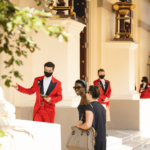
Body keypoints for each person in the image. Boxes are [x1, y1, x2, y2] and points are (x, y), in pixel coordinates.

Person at [76, 85, 106, 150]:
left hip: (93, 140)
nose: (85, 93)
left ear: (90, 94)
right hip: (102, 140)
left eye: (86, 92)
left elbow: (87, 125)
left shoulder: (89, 106)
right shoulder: (102, 107)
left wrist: (79, 125)